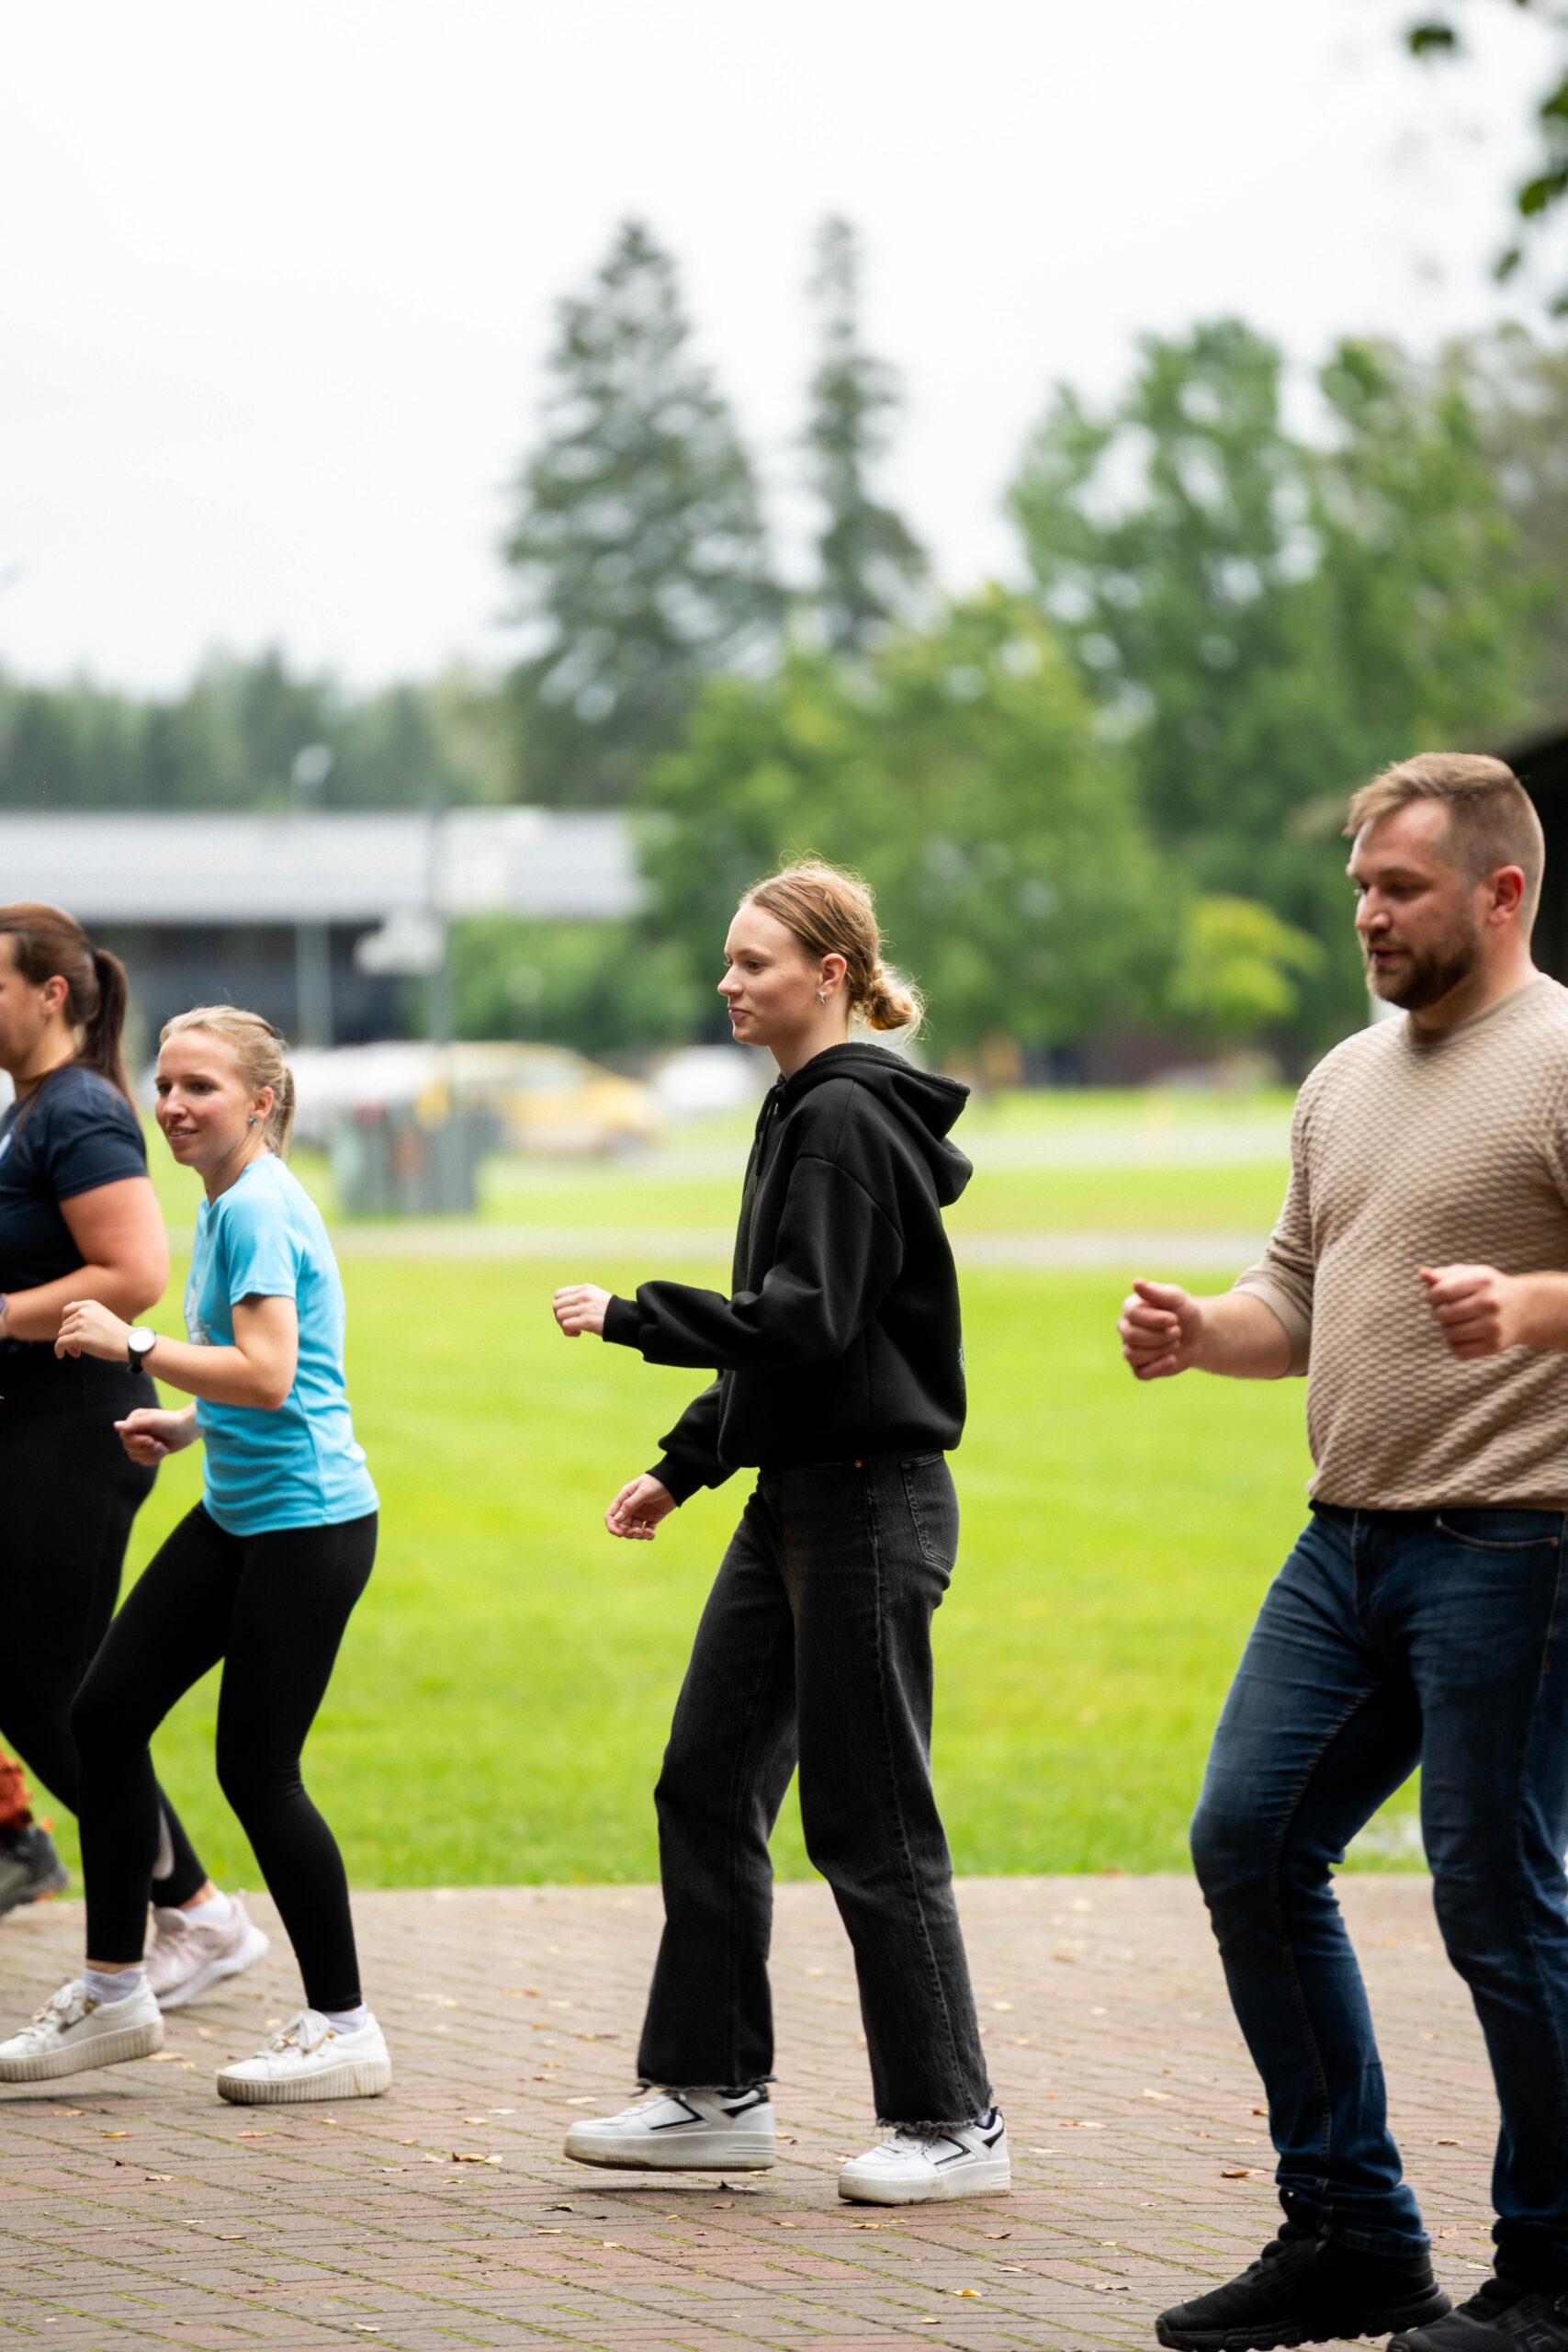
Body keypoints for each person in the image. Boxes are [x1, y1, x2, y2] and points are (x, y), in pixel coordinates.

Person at [1119, 753, 1568, 2352]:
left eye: (1400, 887)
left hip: (1519, 1542)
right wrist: (1203, 1330)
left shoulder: (1559, 1057)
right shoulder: (1342, 1078)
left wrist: (1533, 1306)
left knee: (1495, 1900)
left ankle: (1553, 2272)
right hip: (1346, 1545)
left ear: (1498, 893)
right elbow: (1293, 1298)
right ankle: (1353, 2236)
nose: (1367, 914)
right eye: (1359, 886)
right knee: (1246, 1843)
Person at [551, 862, 1006, 2208]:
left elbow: (805, 1321)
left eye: (753, 961)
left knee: (869, 1818)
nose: (728, 981)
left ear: (830, 974)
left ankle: (953, 2121)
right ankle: (710, 2094)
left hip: (867, 1502)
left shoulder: (843, 1116)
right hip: (791, 1499)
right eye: (729, 960)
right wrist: (685, 1465)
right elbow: (802, 1337)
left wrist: (633, 1315)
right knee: (705, 1781)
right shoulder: (805, 1107)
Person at [0, 1006, 388, 2104]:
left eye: (199, 1087)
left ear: (260, 1101)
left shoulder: (256, 1204)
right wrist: (183, 1423)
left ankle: (345, 2025)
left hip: (307, 1525)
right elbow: (276, 1374)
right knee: (102, 1715)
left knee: (257, 1771)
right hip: (240, 1514)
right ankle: (115, 1990)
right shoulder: (229, 1199)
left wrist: (133, 1342)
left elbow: (269, 1372)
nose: (171, 1104)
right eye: (165, 1084)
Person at [0, 903, 265, 2003]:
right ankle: (191, 1908)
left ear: (50, 992)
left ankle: (196, 1912)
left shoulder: (80, 1110)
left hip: (82, 1428)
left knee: (51, 1694)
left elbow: (135, 1273)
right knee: (47, 1691)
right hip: (36, 1427)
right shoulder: (31, 1108)